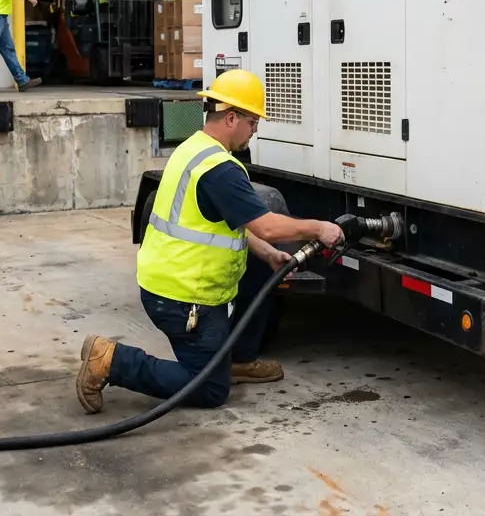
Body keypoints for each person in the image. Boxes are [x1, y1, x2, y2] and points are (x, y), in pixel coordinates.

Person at [76, 69, 344, 412]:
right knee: (210, 390)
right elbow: (268, 226)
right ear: (232, 117)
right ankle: (111, 361)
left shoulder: (195, 148)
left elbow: (235, 226)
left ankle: (238, 359)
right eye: (253, 121)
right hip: (183, 298)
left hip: (172, 283)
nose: (256, 130)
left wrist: (265, 253)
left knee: (261, 268)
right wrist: (319, 228)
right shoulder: (221, 169)